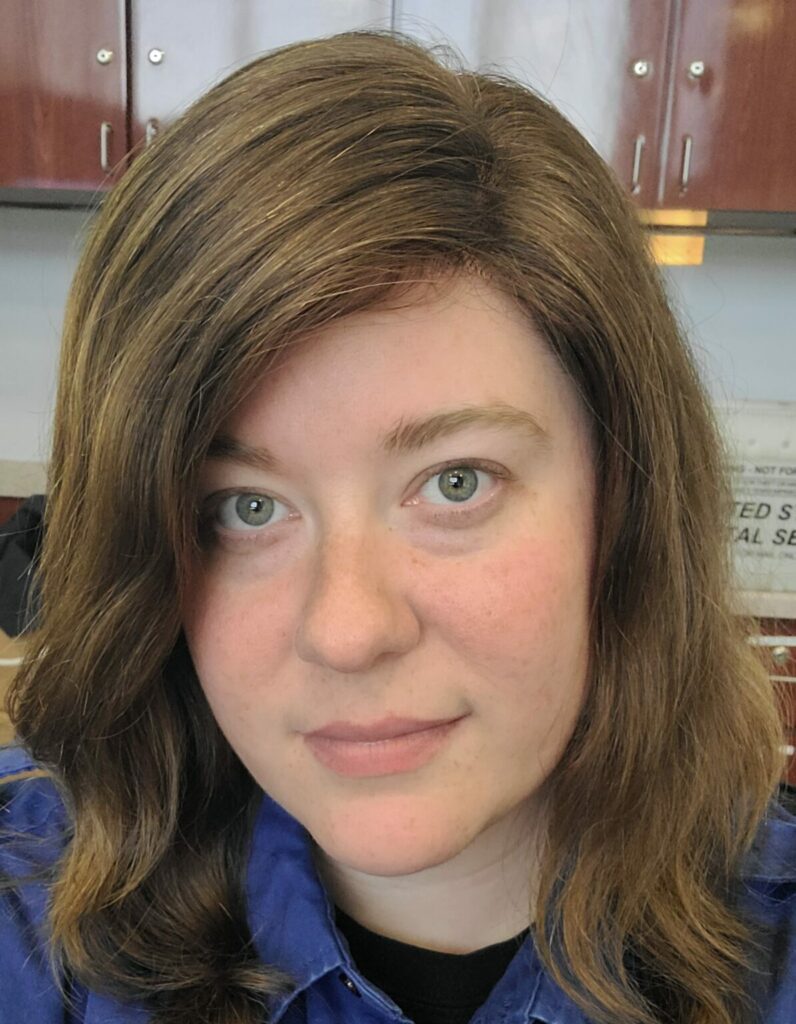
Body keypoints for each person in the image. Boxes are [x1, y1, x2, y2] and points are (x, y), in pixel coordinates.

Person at [0, 27, 794, 1024]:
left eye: (455, 482)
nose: (347, 628)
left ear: (624, 504)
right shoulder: (30, 922)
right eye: (244, 510)